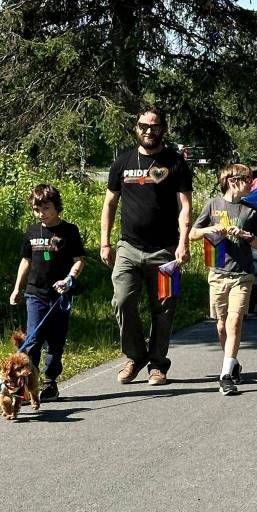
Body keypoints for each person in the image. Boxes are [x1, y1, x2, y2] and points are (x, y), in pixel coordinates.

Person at [101, 104, 193, 386]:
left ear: (162, 128)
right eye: (143, 126)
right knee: (122, 300)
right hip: (128, 248)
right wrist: (105, 243)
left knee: (164, 308)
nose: (148, 131)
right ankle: (135, 355)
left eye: (154, 126)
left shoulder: (175, 163)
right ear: (136, 128)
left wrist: (183, 242)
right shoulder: (122, 162)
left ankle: (158, 364)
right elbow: (109, 203)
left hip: (165, 251)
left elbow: (185, 206)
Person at [190, 164, 257, 396]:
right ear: (233, 181)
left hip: (243, 275)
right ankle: (232, 363)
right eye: (248, 179)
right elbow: (193, 234)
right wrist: (212, 229)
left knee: (234, 322)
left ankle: (225, 376)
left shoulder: (251, 211)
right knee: (222, 325)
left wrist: (245, 235)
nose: (252, 184)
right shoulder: (213, 205)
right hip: (218, 274)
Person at [9, 184, 86, 402]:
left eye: (46, 208)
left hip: (60, 296)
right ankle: (27, 384)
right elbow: (26, 260)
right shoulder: (32, 231)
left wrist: (69, 279)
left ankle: (50, 382)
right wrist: (17, 288)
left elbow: (79, 260)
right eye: (37, 210)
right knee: (33, 339)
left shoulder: (69, 230)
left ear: (56, 207)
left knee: (56, 341)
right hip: (35, 294)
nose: (41, 214)